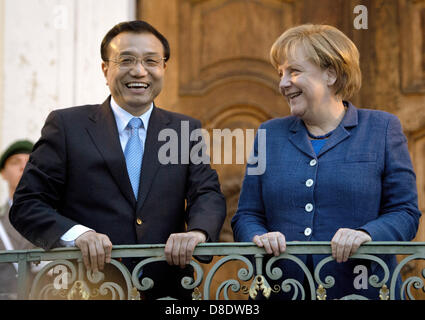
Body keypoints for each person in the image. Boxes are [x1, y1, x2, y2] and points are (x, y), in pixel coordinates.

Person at [10, 20, 226, 300]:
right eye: (126, 60)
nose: (139, 71)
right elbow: (28, 204)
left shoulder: (185, 130)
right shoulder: (67, 125)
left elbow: (206, 193)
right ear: (105, 69)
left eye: (151, 60)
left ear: (163, 69)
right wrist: (78, 234)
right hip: (88, 290)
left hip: (168, 293)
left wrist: (197, 232)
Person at [231, 24, 421, 300]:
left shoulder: (381, 128)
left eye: (294, 71)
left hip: (362, 290)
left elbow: (405, 212)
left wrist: (366, 234)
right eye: (280, 73)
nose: (283, 83)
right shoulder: (268, 134)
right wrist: (259, 236)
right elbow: (246, 216)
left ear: (331, 73)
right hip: (282, 290)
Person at [0, 140, 34, 299]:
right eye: (15, 162)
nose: (23, 167)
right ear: (3, 172)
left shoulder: (59, 218)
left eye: (30, 162)